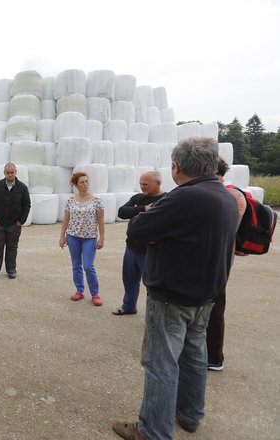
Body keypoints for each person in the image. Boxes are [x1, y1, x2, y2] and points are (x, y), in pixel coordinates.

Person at [112, 138, 240, 440]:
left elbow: (138, 229)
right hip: (205, 294)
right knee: (194, 356)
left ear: (176, 167)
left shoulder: (184, 197)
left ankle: (153, 430)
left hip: (173, 294)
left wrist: (158, 233)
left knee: (161, 363)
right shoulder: (224, 195)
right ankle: (190, 415)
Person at [206, 158, 247, 371]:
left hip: (215, 257)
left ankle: (214, 357)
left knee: (213, 307)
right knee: (215, 304)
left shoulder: (223, 195)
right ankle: (211, 354)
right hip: (225, 256)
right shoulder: (236, 193)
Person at [112, 171, 165, 315]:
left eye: (145, 184)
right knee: (129, 280)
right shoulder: (138, 198)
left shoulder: (166, 199)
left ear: (158, 183)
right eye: (141, 184)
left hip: (151, 250)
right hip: (131, 248)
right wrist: (143, 209)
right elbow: (122, 212)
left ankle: (153, 315)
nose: (142, 187)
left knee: (151, 285)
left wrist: (135, 212)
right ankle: (129, 306)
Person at [59, 172, 105, 306]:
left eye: (87, 182)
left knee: (88, 266)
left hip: (89, 238)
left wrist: (102, 239)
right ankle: (79, 290)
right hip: (72, 236)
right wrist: (62, 236)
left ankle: (95, 294)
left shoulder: (97, 200)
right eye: (82, 182)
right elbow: (66, 219)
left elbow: (101, 221)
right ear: (76, 185)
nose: (85, 184)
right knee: (76, 265)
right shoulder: (70, 200)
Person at [0, 162, 31, 279]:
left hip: (14, 225)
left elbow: (27, 205)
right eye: (8, 173)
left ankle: (11, 270)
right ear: (4, 173)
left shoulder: (22, 188)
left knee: (12, 248)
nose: (10, 175)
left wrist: (21, 221)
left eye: (12, 172)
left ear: (15, 172)